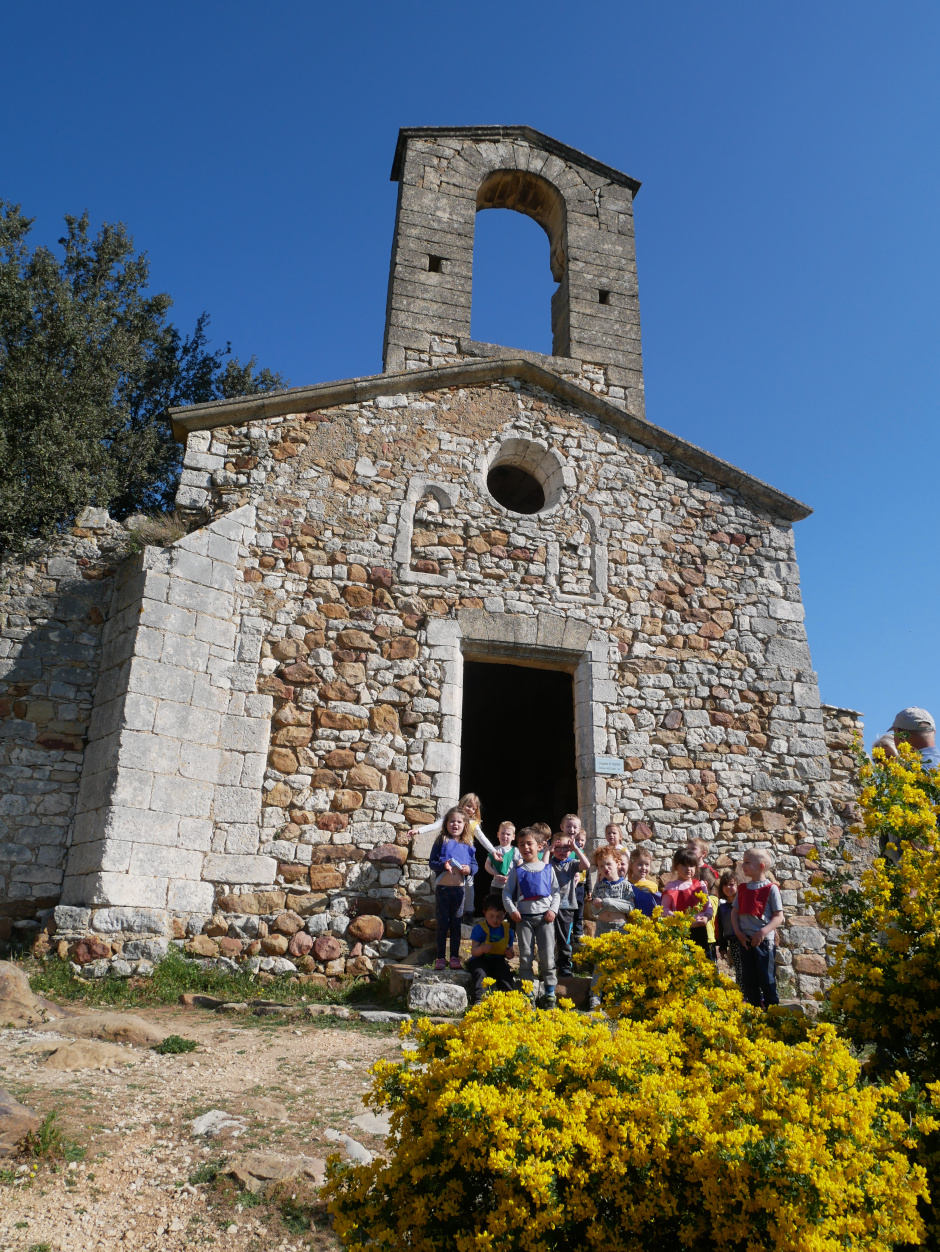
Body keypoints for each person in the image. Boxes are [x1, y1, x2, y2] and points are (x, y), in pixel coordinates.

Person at [502, 827, 561, 1008]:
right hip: (524, 919)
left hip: (545, 919)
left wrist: (553, 910)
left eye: (529, 843)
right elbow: (507, 892)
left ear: (540, 846)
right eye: (521, 845)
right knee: (526, 956)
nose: (526, 847)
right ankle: (527, 994)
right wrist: (512, 910)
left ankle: (550, 994)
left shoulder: (548, 868)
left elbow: (556, 893)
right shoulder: (517, 870)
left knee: (547, 956)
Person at [412, 792, 496, 914]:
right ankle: (450, 913)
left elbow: (483, 839)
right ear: (462, 803)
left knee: (469, 885)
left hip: (466, 858)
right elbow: (435, 825)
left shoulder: (473, 824)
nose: (470, 810)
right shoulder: (451, 817)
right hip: (451, 857)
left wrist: (493, 851)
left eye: (474, 808)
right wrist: (419, 831)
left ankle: (468, 912)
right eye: (468, 805)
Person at [731, 848, 784, 1008]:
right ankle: (754, 1013)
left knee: (766, 978)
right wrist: (739, 933)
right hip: (745, 941)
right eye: (743, 861)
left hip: (764, 943)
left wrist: (763, 932)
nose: (743, 865)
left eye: (747, 862)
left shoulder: (771, 889)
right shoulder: (742, 889)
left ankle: (772, 1012)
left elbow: (779, 917)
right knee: (749, 979)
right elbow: (734, 913)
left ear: (761, 866)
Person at [428, 808, 478, 970]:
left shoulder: (468, 844)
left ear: (465, 825)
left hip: (459, 891)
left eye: (459, 821)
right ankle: (441, 958)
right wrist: (443, 865)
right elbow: (432, 862)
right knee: (443, 924)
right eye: (452, 821)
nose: (455, 824)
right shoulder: (441, 841)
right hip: (443, 890)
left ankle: (454, 958)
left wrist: (468, 870)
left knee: (456, 924)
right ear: (446, 824)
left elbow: (475, 865)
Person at [588, 846, 635, 1009]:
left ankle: (618, 997)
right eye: (601, 866)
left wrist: (608, 903)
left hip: (620, 928)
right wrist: (596, 905)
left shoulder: (626, 886)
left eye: (608, 864)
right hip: (601, 927)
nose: (605, 868)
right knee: (599, 964)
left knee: (620, 963)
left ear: (617, 863)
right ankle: (595, 997)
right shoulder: (599, 886)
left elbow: (630, 908)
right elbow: (594, 911)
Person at [548, 830, 591, 979]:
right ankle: (549, 966)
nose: (562, 851)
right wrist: (549, 850)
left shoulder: (572, 864)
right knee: (549, 938)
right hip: (550, 907)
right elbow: (542, 865)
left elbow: (586, 864)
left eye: (566, 848)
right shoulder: (550, 863)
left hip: (567, 907)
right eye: (558, 848)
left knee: (565, 938)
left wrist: (576, 848)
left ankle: (565, 966)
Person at [467, 894, 516, 1005]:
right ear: (484, 913)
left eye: (499, 916)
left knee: (504, 973)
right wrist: (482, 949)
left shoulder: (508, 931)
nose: (495, 920)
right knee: (480, 973)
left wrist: (509, 953)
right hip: (480, 960)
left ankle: (511, 998)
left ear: (505, 914)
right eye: (492, 916)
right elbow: (474, 951)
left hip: (498, 960)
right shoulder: (479, 928)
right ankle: (479, 999)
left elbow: (510, 954)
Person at [660, 847, 713, 951]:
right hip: (680, 930)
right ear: (676, 867)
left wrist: (707, 917)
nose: (688, 869)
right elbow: (664, 909)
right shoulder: (671, 887)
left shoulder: (700, 885)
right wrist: (678, 918)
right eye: (684, 865)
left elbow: (709, 907)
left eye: (692, 866)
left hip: (699, 930)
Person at [715, 869, 743, 986]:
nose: (728, 887)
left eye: (731, 884)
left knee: (749, 969)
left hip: (745, 940)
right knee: (739, 969)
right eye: (725, 885)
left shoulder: (742, 903)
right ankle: (743, 994)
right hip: (733, 941)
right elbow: (721, 927)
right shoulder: (721, 906)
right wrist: (722, 946)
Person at [626, 846, 661, 917]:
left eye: (647, 864)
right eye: (640, 864)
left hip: (650, 924)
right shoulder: (626, 885)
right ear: (631, 865)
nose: (644, 868)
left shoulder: (653, 885)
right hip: (632, 925)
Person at [571, 826, 589, 944]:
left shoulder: (584, 855)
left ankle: (578, 933)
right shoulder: (571, 854)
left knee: (579, 911)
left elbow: (588, 874)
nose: (580, 842)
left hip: (581, 887)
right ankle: (569, 932)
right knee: (570, 911)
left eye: (582, 840)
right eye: (577, 840)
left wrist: (589, 889)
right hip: (571, 886)